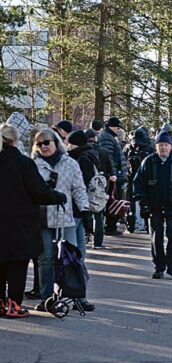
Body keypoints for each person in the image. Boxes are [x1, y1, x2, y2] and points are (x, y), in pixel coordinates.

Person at [0, 124, 66, 319]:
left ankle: (1, 303)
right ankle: (13, 304)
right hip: (20, 224)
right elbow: (39, 192)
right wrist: (58, 196)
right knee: (18, 266)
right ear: (14, 141)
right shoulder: (24, 163)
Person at [33, 128, 90, 309]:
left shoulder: (70, 163)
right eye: (39, 144)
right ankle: (47, 298)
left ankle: (78, 296)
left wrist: (85, 209)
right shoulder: (33, 165)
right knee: (46, 259)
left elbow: (78, 189)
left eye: (46, 142)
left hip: (65, 217)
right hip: (42, 219)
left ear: (56, 142)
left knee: (72, 258)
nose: (43, 147)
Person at [133, 131, 172, 279]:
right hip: (155, 207)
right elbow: (138, 184)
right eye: (160, 145)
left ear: (170, 146)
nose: (163, 148)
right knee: (156, 238)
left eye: (166, 145)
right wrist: (143, 204)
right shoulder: (148, 162)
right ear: (156, 147)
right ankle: (159, 266)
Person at [65, 129, 100, 311]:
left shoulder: (79, 159)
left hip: (74, 211)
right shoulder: (92, 155)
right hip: (84, 211)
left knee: (72, 254)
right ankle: (79, 295)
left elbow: (78, 187)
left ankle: (74, 294)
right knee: (79, 253)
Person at [99, 117, 126, 236]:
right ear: (112, 126)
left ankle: (111, 225)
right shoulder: (107, 137)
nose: (118, 130)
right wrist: (113, 173)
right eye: (117, 127)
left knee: (113, 200)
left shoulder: (109, 137)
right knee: (112, 200)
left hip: (114, 175)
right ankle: (110, 226)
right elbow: (108, 157)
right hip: (112, 177)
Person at [123, 127, 154, 232]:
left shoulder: (128, 147)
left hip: (132, 178)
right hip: (142, 178)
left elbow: (123, 162)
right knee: (141, 201)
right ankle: (142, 224)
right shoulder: (149, 147)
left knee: (133, 201)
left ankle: (133, 223)